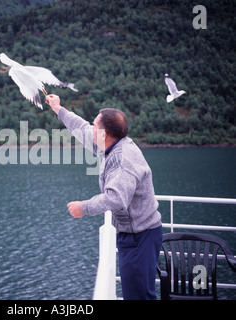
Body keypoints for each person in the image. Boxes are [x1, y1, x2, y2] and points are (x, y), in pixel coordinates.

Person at [46, 94, 162, 300]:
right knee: (135, 293)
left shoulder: (123, 159)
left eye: (94, 125)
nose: (91, 128)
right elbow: (80, 128)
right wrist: (58, 108)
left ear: (104, 133)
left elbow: (116, 198)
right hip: (132, 234)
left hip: (140, 236)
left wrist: (84, 207)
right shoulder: (110, 145)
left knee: (139, 296)